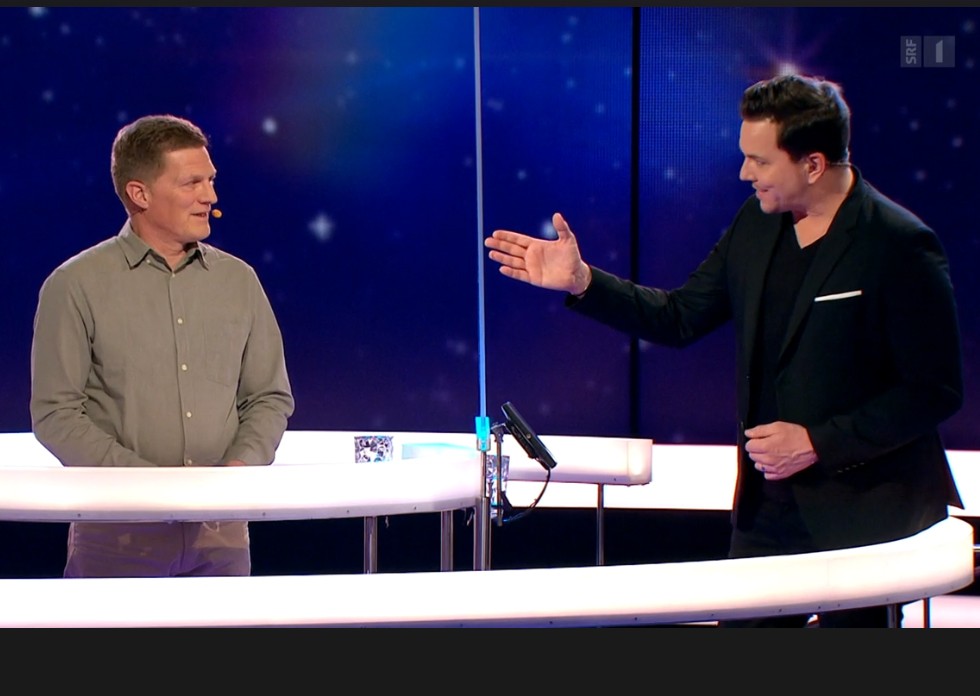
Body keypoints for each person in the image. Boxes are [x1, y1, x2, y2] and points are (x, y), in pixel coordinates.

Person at [484, 74, 964, 627]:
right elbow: (679, 316)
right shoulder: (755, 224)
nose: (743, 173)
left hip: (865, 513)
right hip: (768, 511)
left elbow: (934, 390)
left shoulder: (898, 243)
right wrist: (583, 282)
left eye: (759, 161)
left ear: (812, 164)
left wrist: (817, 442)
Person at [30, 114, 295, 578]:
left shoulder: (239, 281)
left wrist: (238, 470)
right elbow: (56, 414)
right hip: (118, 536)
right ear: (140, 194)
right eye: (192, 183)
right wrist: (149, 487)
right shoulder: (74, 285)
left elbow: (268, 397)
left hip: (221, 537)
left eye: (210, 180)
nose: (210, 196)